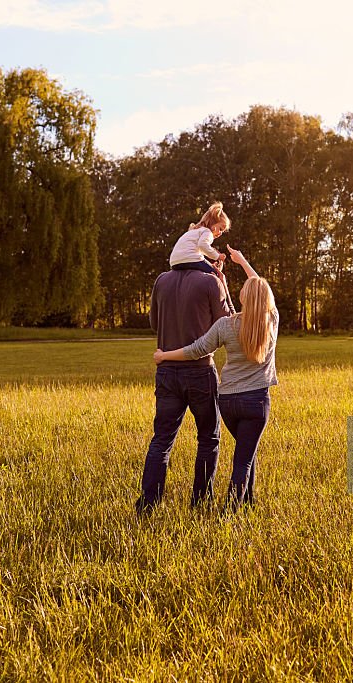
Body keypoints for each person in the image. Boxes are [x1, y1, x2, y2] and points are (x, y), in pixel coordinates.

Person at [154, 247, 278, 512]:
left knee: (247, 451)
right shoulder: (271, 321)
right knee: (243, 460)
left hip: (229, 402)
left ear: (243, 297)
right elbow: (260, 293)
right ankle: (229, 514)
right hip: (256, 401)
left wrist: (165, 355)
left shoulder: (227, 326)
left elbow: (196, 349)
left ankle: (248, 503)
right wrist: (243, 260)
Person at [136, 236, 232, 515]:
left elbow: (154, 322)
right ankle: (200, 502)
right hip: (200, 371)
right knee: (208, 438)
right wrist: (222, 282)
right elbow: (225, 323)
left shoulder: (161, 280)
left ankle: (148, 505)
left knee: (161, 439)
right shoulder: (210, 282)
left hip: (166, 371)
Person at [169, 202, 236, 312]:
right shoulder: (207, 232)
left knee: (207, 264)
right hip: (190, 259)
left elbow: (199, 250)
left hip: (175, 262)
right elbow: (203, 245)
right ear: (213, 224)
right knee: (215, 275)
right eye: (220, 228)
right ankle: (224, 308)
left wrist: (209, 262)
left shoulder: (195, 232)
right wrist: (217, 257)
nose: (220, 233)